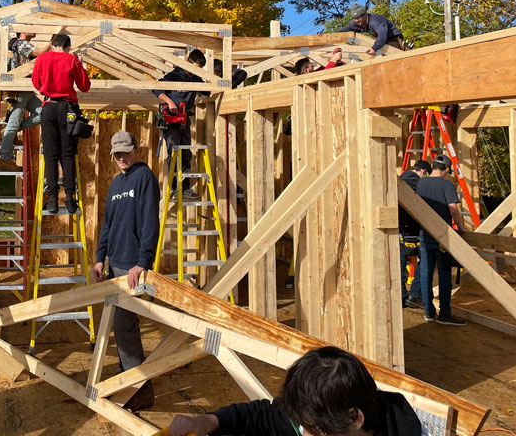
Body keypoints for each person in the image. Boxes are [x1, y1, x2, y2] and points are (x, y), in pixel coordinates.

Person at [169, 345, 424, 436]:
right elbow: (263, 416)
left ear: (355, 418)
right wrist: (207, 421)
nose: (304, 433)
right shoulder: (314, 416)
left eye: (316, 430)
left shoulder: (405, 429)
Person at [93, 131, 160, 412]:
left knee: (125, 326)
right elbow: (108, 224)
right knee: (120, 328)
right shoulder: (116, 183)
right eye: (117, 154)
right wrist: (100, 258)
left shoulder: (144, 178)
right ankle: (128, 379)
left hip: (133, 264)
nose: (121, 158)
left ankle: (140, 390)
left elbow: (149, 222)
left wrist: (142, 262)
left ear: (135, 150)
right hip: (115, 264)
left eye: (126, 152)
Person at [32, 33, 91, 214]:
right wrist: (79, 65)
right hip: (68, 109)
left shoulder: (42, 59)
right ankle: (71, 199)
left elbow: (36, 83)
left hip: (48, 107)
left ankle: (52, 201)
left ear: (52, 45)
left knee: (51, 155)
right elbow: (84, 86)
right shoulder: (71, 60)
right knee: (67, 154)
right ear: (68, 47)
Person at [415, 155, 467, 326]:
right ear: (446, 169)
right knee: (444, 274)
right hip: (442, 236)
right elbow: (453, 210)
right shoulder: (446, 184)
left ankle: (429, 312)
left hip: (424, 233)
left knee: (425, 273)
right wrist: (461, 228)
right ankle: (445, 314)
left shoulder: (421, 183)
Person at [153, 49, 208, 199]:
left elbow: (208, 91)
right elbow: (156, 88)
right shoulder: (174, 75)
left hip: (184, 119)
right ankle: (173, 188)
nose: (197, 70)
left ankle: (184, 189)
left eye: (200, 69)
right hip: (171, 121)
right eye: (196, 67)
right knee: (174, 151)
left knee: (187, 153)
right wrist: (170, 101)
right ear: (189, 62)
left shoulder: (195, 79)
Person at [0, 32, 54, 171]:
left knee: (44, 113)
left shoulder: (23, 44)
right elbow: (40, 53)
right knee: (13, 123)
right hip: (20, 90)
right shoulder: (21, 43)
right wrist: (52, 41)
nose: (34, 31)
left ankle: (12, 129)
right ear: (22, 31)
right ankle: (5, 158)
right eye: (31, 27)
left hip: (27, 90)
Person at [400, 160, 431, 309]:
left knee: (399, 264)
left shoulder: (399, 180)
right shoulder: (416, 183)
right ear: (423, 172)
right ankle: (416, 294)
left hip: (398, 229)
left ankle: (400, 297)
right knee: (425, 260)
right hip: (414, 229)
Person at [339, 4, 406, 56]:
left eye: (358, 18)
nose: (356, 21)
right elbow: (344, 30)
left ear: (365, 14)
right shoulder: (357, 23)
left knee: (393, 58)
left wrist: (374, 48)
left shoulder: (376, 21)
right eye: (354, 18)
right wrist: (330, 36)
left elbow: (382, 35)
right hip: (383, 41)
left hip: (393, 39)